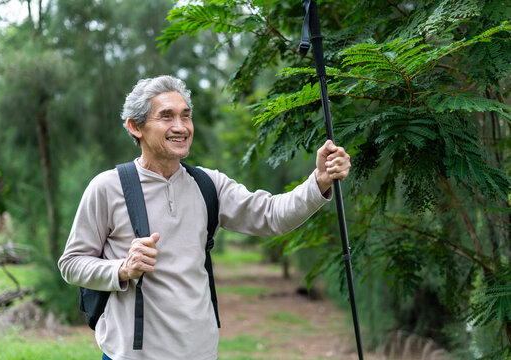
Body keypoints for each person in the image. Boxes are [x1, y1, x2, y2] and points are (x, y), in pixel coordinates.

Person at [58, 75, 351, 360]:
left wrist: (319, 181)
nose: (180, 127)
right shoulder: (108, 188)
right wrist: (122, 269)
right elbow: (71, 264)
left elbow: (272, 215)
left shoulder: (210, 185)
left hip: (200, 351)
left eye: (186, 116)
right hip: (131, 355)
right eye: (167, 117)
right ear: (135, 127)